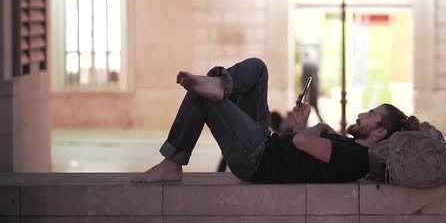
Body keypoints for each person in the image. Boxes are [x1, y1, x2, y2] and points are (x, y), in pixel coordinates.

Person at [130, 57, 419, 184]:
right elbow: (300, 145)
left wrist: (321, 127)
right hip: (265, 144)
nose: (361, 114)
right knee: (257, 69)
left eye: (370, 115)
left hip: (257, 159)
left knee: (201, 95)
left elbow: (303, 142)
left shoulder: (356, 156)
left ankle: (172, 162)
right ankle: (220, 85)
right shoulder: (350, 150)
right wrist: (301, 122)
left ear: (380, 132)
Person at [301, 52, 323, 123]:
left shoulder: (306, 65)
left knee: (306, 109)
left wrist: (306, 90)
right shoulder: (313, 65)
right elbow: (316, 78)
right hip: (313, 90)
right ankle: (321, 122)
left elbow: (305, 78)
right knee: (314, 108)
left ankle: (305, 124)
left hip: (310, 91)